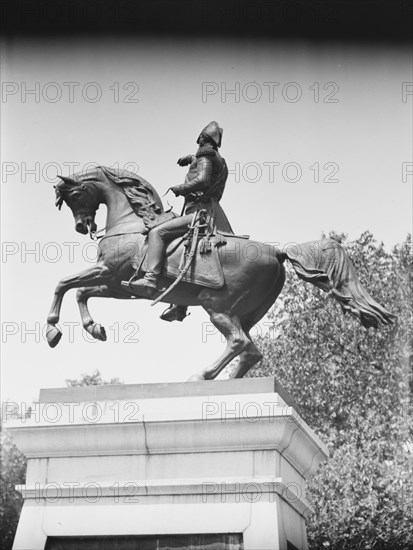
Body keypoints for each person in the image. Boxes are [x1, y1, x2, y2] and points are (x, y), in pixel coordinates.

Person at [129, 121, 233, 321]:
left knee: (157, 232)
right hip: (211, 211)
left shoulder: (206, 157)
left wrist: (181, 188)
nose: (198, 142)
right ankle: (179, 305)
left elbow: (203, 179)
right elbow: (207, 168)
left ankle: (150, 279)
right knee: (182, 249)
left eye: (200, 139)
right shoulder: (219, 159)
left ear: (203, 138)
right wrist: (192, 158)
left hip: (199, 213)